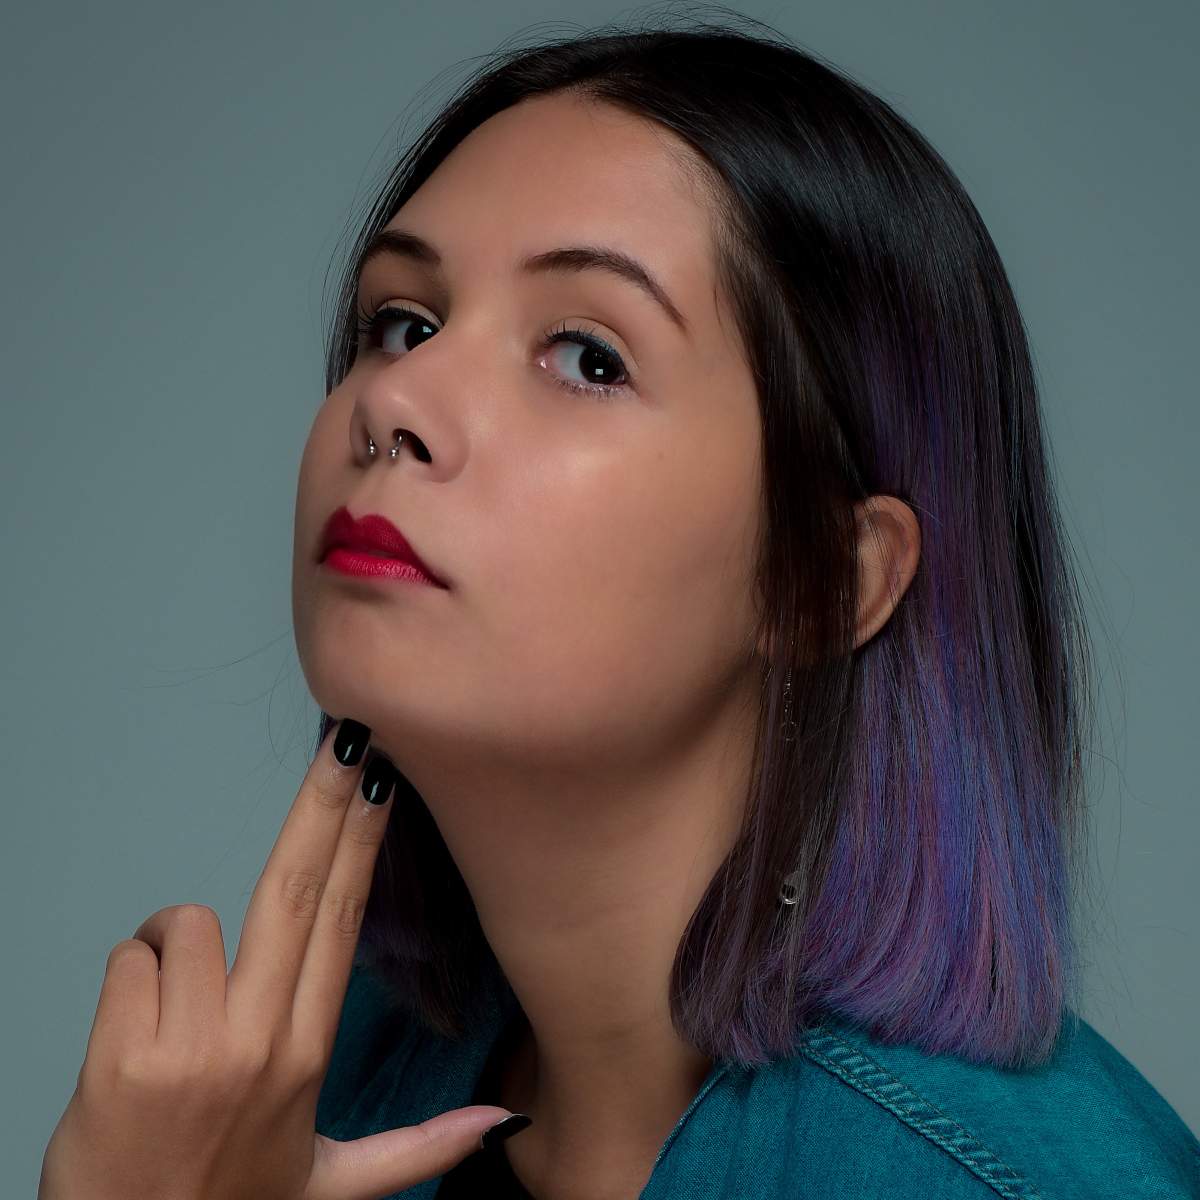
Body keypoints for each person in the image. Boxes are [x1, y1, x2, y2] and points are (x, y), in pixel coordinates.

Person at [41, 10, 1199, 1200]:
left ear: (823, 578)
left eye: (588, 357)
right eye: (402, 323)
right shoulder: (283, 1106)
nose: (395, 399)